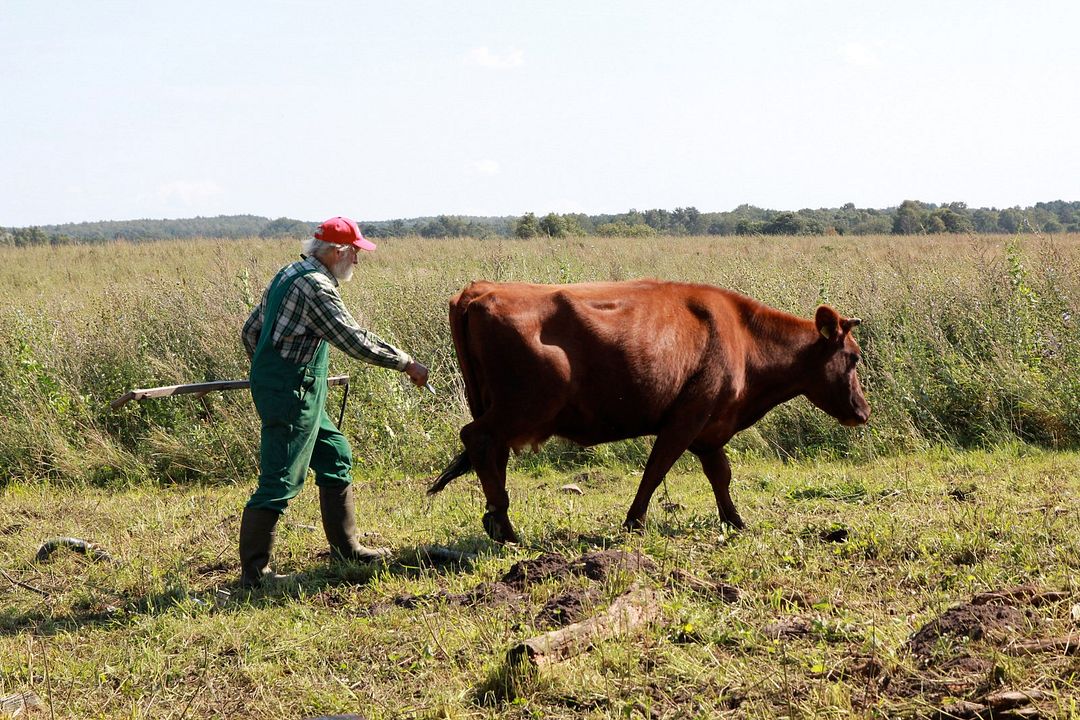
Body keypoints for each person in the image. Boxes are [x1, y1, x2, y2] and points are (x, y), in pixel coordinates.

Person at [238, 216, 428, 588]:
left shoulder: (289, 272)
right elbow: (352, 339)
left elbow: (250, 331)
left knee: (335, 453)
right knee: (281, 479)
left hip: (292, 384)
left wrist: (269, 370)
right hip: (293, 389)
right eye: (356, 253)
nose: (357, 261)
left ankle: (347, 548)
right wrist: (405, 363)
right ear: (338, 251)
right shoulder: (317, 287)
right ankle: (255, 575)